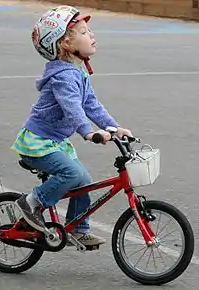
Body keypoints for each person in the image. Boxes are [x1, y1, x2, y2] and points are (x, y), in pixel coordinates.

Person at [11, 5, 132, 247]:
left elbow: (91, 104)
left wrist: (113, 127)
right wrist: (88, 132)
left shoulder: (77, 71)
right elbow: (73, 109)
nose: (92, 36)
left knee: (83, 180)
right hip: (38, 142)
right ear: (66, 43)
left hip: (54, 143)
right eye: (85, 32)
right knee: (72, 173)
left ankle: (76, 228)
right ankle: (31, 202)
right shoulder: (63, 76)